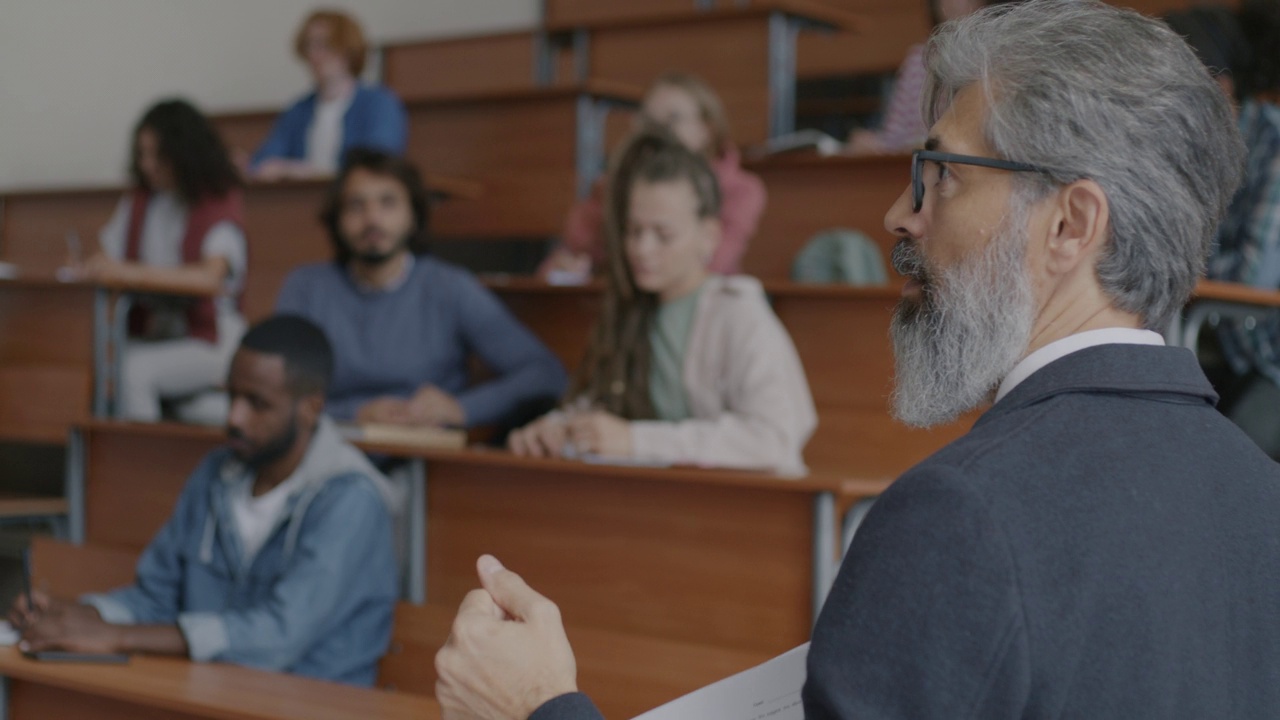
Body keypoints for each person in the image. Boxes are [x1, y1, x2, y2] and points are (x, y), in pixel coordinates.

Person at [434, 1, 1280, 718]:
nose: (896, 216)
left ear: (1069, 225)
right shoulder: (1261, 492)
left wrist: (542, 705)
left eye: (940, 175)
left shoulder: (959, 514)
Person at [11, 316, 399, 686]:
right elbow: (157, 596)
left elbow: (279, 637)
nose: (234, 417)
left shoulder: (351, 500)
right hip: (211, 691)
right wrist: (81, 614)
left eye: (257, 403)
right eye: (231, 395)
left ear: (311, 406)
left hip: (312, 703)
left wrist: (118, 636)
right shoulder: (216, 472)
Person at [511, 127, 815, 475]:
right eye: (634, 231)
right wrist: (558, 428)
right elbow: (600, 404)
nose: (642, 249)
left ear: (709, 236)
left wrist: (635, 440)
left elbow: (774, 438)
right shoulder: (632, 310)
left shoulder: (739, 313)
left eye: (663, 234)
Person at [275, 149, 567, 432]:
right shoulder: (306, 287)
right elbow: (273, 393)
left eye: (388, 203)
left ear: (413, 215)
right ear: (337, 219)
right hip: (328, 447)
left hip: (423, 458)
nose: (372, 219)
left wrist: (462, 408)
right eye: (356, 205)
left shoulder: (450, 287)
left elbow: (545, 373)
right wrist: (354, 412)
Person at [78, 99, 248, 423]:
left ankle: (140, 466)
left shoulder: (217, 199)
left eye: (158, 155)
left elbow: (209, 278)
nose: (148, 165)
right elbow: (108, 257)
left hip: (211, 338)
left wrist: (131, 273)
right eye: (142, 154)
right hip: (160, 334)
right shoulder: (141, 201)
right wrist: (90, 266)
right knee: (99, 362)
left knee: (133, 371)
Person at [540, 73, 766, 280]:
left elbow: (710, 266)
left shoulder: (741, 190)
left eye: (673, 119)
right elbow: (567, 254)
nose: (658, 131)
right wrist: (567, 268)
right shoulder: (615, 182)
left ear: (706, 128)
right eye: (648, 121)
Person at [1186, 1, 1280, 457]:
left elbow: (1252, 276)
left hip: (1268, 355)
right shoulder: (1191, 146)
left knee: (1230, 459)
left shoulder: (1275, 148)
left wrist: (1184, 262)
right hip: (1209, 338)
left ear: (1221, 85)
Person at [846, 0, 1023, 156]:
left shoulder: (998, 58)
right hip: (913, 169)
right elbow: (894, 138)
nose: (952, 3)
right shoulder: (918, 59)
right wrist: (874, 144)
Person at [249, 10, 407, 180]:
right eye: (309, 45)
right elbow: (263, 162)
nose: (314, 55)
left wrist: (301, 171)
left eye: (324, 45)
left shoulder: (379, 104)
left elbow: (377, 163)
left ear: (348, 50)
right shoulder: (298, 110)